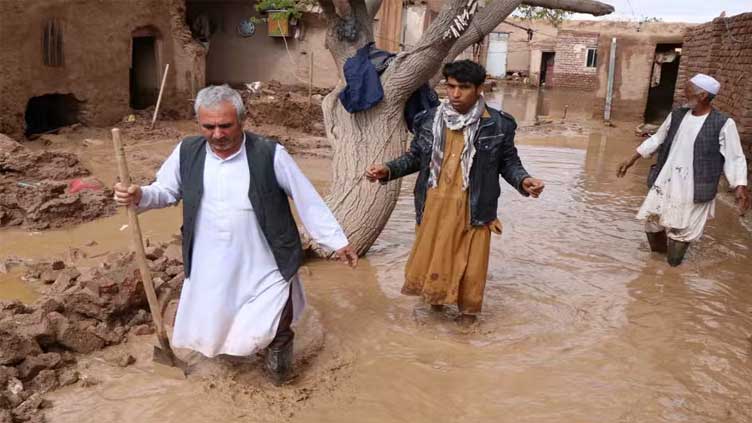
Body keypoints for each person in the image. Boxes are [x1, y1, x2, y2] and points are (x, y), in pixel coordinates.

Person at [114, 85, 357, 384]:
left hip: (265, 260)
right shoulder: (187, 152)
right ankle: (233, 360)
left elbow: (307, 198)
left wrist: (336, 241)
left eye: (225, 125)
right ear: (199, 123)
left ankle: (281, 382)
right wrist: (139, 195)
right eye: (209, 126)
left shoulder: (270, 154)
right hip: (211, 262)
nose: (217, 134)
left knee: (277, 322)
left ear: (242, 121)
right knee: (221, 320)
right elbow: (165, 192)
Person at [365, 60, 545, 326]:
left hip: (474, 209)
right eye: (450, 87)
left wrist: (524, 180)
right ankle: (433, 321)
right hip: (434, 206)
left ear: (479, 89)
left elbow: (508, 162)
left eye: (464, 87)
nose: (455, 94)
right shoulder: (428, 120)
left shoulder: (498, 125)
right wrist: (388, 170)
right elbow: (416, 157)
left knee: (471, 274)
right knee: (434, 270)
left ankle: (466, 326)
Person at [617, 74, 750, 266]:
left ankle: (672, 271)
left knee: (683, 232)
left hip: (695, 187)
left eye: (688, 90)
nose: (683, 93)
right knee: (653, 224)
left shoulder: (723, 124)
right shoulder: (677, 115)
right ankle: (654, 268)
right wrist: (631, 159)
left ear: (703, 95)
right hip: (666, 180)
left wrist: (740, 186)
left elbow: (734, 157)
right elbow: (657, 139)